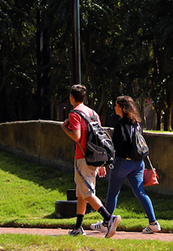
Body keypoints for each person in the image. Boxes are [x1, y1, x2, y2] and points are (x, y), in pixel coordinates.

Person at [91, 95, 160, 234]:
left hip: (123, 162)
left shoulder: (120, 125)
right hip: (138, 163)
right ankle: (153, 222)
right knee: (140, 192)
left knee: (113, 193)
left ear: (122, 108)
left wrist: (109, 138)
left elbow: (116, 147)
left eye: (116, 105)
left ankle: (106, 222)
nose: (115, 107)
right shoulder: (137, 123)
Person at [60, 84, 120, 238]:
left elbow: (77, 136)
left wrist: (64, 128)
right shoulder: (93, 113)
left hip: (82, 157)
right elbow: (99, 136)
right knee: (82, 193)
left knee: (86, 193)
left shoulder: (74, 114)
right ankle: (78, 227)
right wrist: (101, 163)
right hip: (95, 157)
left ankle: (109, 218)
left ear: (72, 98)